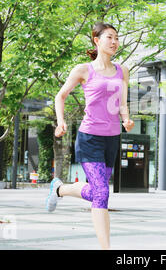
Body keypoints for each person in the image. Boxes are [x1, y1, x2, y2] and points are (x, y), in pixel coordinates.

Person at [45, 22, 134, 250]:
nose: (114, 42)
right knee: (102, 193)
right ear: (97, 40)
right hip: (89, 138)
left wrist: (126, 118)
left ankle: (59, 189)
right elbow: (61, 96)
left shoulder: (123, 70)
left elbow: (122, 102)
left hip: (112, 138)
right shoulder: (84, 70)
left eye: (116, 38)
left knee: (97, 191)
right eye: (109, 37)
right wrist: (61, 121)